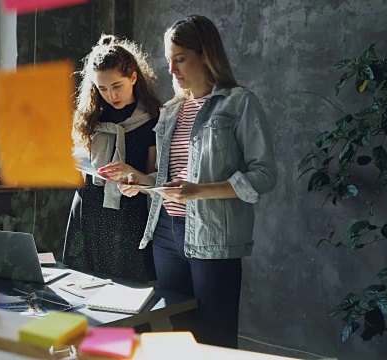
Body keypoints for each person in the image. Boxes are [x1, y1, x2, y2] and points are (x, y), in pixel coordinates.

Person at [117, 16, 277, 348]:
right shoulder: (172, 110)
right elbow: (168, 178)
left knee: (214, 340)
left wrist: (198, 192)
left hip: (213, 235)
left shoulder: (239, 103)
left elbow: (264, 176)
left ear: (206, 54)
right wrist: (140, 181)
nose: (172, 69)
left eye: (180, 58)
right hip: (166, 233)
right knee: (179, 339)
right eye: (169, 59)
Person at [62, 34, 162, 283]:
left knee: (130, 300)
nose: (110, 95)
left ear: (134, 77)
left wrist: (133, 177)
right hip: (88, 210)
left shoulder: (152, 119)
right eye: (102, 88)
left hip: (128, 216)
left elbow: (155, 180)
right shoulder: (91, 119)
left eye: (117, 86)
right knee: (83, 292)